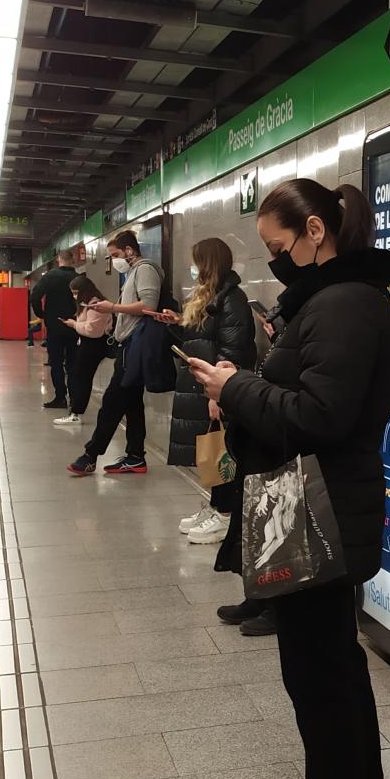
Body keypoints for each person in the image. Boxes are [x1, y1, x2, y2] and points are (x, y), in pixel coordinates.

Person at [187, 179, 390, 779]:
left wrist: (234, 387)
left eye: (277, 246)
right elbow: (303, 393)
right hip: (321, 509)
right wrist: (239, 389)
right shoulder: (332, 299)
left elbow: (320, 415)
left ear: (313, 231)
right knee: (334, 664)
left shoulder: (340, 304)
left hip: (320, 514)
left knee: (319, 675)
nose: (273, 260)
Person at [149, 238, 257, 555]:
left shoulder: (232, 300)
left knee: (222, 449)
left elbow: (232, 349)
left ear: (209, 263)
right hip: (200, 383)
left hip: (217, 385)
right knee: (212, 448)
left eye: (197, 261)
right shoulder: (209, 298)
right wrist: (175, 324)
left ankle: (224, 514)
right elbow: (199, 337)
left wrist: (220, 395)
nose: (193, 267)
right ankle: (216, 506)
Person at [66, 230, 162, 476]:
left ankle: (91, 455)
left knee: (111, 401)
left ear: (130, 250)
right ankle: (135, 456)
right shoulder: (133, 273)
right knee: (132, 404)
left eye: (116, 254)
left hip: (135, 348)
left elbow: (148, 306)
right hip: (128, 346)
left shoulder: (145, 270)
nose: (114, 260)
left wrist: (113, 307)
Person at [55, 274, 111, 426]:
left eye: (75, 292)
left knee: (82, 379)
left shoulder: (96, 305)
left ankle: (76, 413)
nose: (74, 295)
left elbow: (92, 330)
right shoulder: (88, 304)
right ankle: (75, 411)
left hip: (93, 345)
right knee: (80, 377)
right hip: (87, 344)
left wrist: (74, 325)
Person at [31, 249, 80, 412]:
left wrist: (42, 314)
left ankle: (60, 398)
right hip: (74, 326)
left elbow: (35, 295)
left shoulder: (51, 276)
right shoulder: (79, 278)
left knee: (56, 363)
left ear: (59, 260)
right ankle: (74, 398)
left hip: (55, 326)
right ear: (73, 260)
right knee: (73, 363)